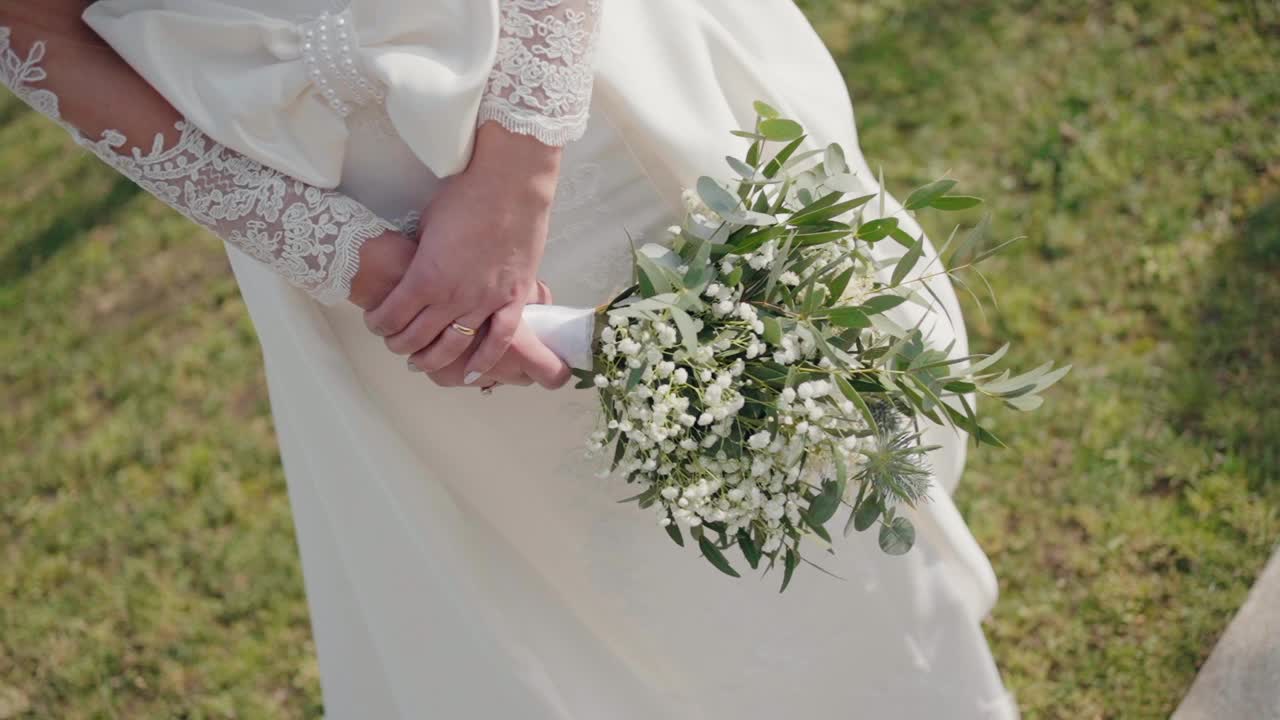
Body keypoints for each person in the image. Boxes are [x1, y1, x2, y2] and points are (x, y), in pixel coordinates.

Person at [0, 1, 1018, 717]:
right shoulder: (355, 265)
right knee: (573, 580)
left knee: (806, 494)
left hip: (586, 113)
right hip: (339, 226)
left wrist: (515, 172)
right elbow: (32, 25)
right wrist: (351, 261)